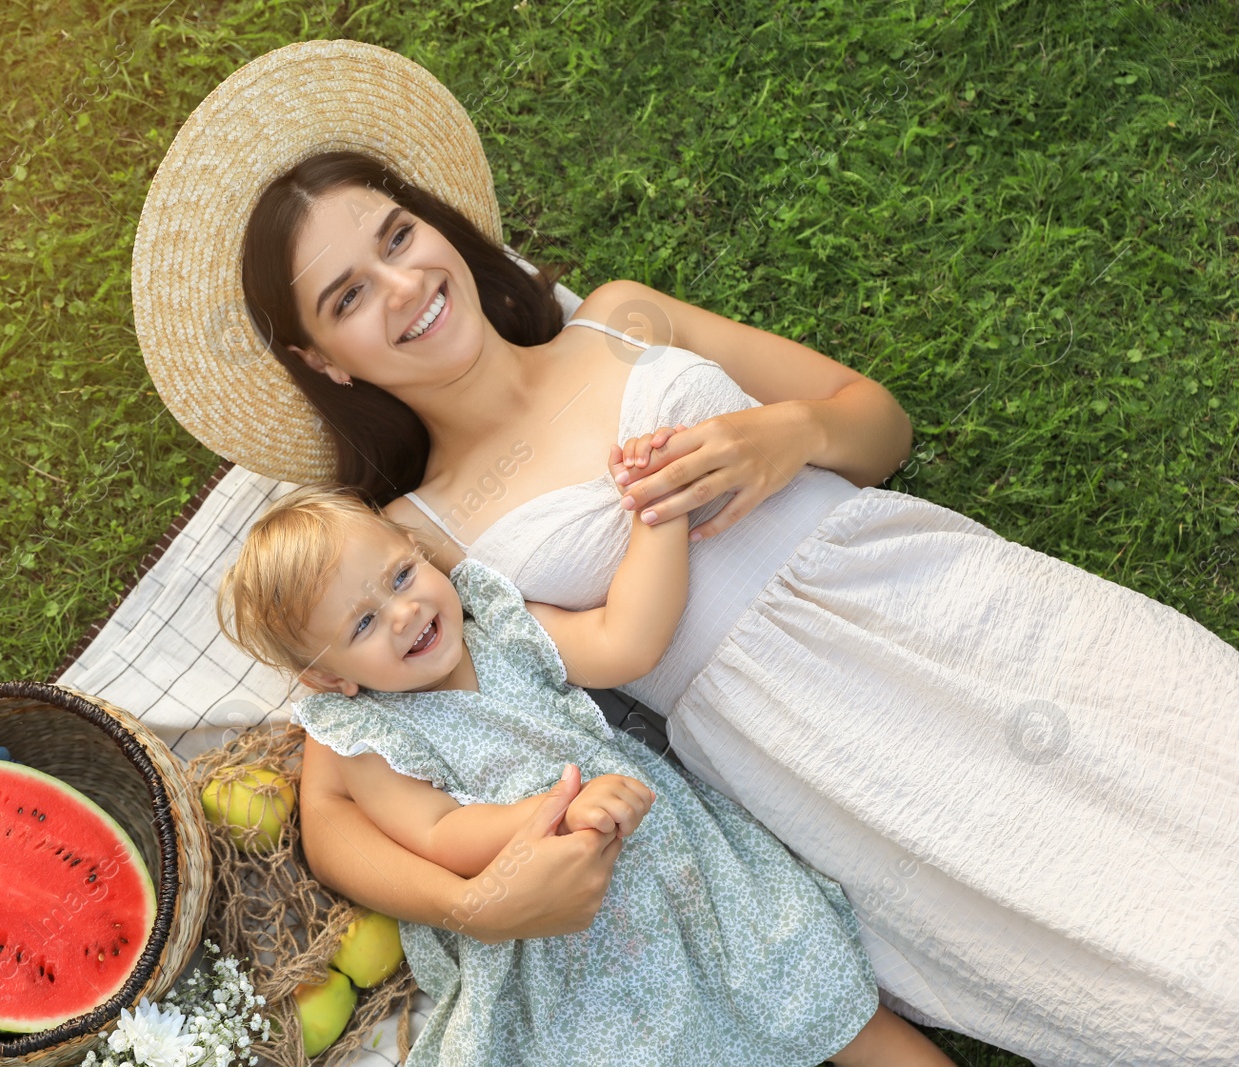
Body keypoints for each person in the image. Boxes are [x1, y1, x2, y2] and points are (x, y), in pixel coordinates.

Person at [133, 40, 1239, 1066]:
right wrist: (476, 905)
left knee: (1184, 730)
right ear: (320, 360)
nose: (404, 286)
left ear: (434, 221)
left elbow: (878, 425)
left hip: (913, 583)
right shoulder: (414, 541)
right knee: (1113, 935)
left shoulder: (622, 321)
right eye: (348, 297)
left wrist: (788, 434)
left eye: (396, 237)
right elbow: (332, 802)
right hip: (797, 729)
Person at [216, 481, 956, 1067]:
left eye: (401, 575)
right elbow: (440, 832)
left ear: (418, 549)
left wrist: (655, 518)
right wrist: (554, 811)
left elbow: (622, 637)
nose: (406, 612)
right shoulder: (370, 737)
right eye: (362, 625)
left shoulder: (499, 627)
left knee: (809, 979)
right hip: (564, 940)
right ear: (330, 678)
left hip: (681, 865)